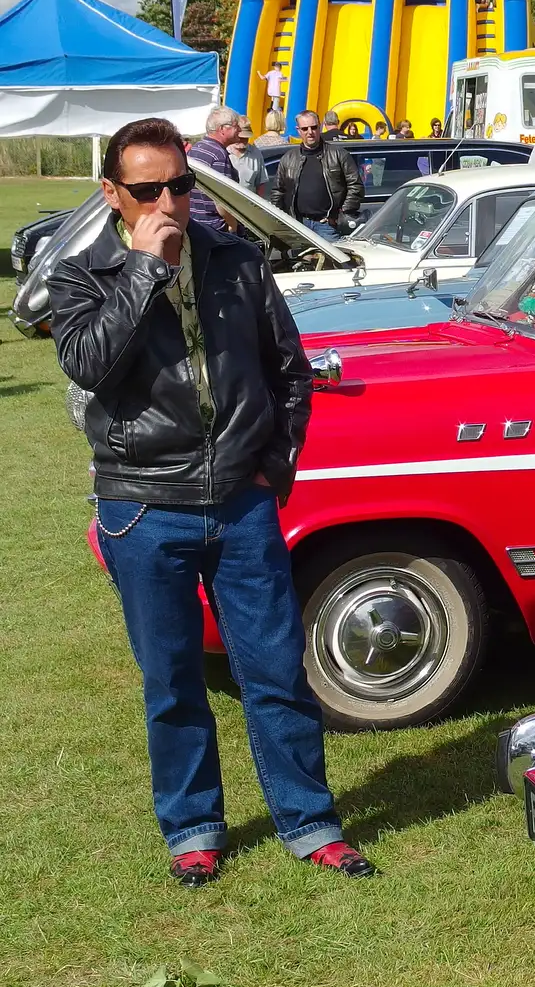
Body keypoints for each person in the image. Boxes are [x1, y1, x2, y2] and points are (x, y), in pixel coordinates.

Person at [46, 117, 377, 887]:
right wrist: (142, 271)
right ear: (112, 194)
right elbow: (92, 364)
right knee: (172, 680)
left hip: (240, 500)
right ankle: (193, 826)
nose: (169, 200)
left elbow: (289, 372)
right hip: (142, 503)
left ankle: (311, 819)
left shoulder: (236, 258)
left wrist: (273, 468)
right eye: (149, 188)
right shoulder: (83, 274)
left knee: (277, 668)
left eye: (182, 184)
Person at [272, 110, 364, 240]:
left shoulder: (339, 154)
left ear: (320, 126)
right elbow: (278, 191)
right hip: (298, 225)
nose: (310, 132)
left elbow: (356, 186)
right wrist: (280, 221)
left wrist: (341, 214)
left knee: (334, 260)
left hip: (328, 226)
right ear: (298, 130)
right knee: (300, 261)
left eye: (314, 127)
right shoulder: (288, 158)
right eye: (305, 129)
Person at [185, 107, 240, 232]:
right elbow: (222, 200)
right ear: (222, 129)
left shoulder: (196, 148)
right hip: (215, 229)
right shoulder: (218, 155)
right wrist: (233, 226)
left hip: (195, 223)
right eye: (236, 126)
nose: (240, 130)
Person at [228, 113, 267, 197]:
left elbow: (261, 184)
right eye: (239, 137)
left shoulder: (255, 153)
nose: (242, 140)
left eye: (245, 138)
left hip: (248, 205)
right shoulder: (224, 151)